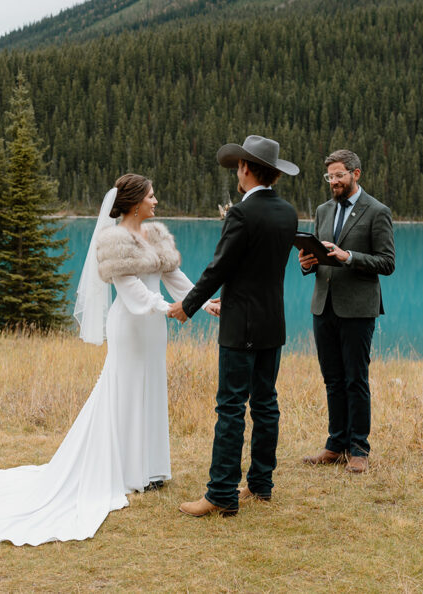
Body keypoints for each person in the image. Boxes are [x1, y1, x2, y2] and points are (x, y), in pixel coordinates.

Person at [0, 174, 218, 545]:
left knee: (152, 389)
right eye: (151, 196)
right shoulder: (113, 243)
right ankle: (127, 471)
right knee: (125, 390)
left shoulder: (155, 235)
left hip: (156, 329)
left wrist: (202, 303)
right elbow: (132, 293)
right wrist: (169, 309)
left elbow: (175, 277)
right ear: (134, 202)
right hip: (132, 325)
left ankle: (152, 470)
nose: (156, 201)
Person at [168, 135, 299, 516]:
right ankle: (260, 485)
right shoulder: (288, 213)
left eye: (238, 167)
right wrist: (234, 297)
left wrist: (187, 306)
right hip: (272, 322)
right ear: (273, 173)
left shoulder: (241, 214)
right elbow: (259, 270)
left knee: (230, 407)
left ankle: (222, 494)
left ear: (245, 169)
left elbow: (219, 268)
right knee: (266, 405)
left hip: (241, 326)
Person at [298, 149, 395, 474]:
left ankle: (358, 449)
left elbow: (387, 262)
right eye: (330, 176)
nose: (334, 181)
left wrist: (348, 256)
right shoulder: (323, 210)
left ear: (356, 174)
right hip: (323, 304)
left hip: (358, 308)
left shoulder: (377, 211)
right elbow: (317, 256)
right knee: (332, 380)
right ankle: (335, 445)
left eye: (339, 175)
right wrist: (307, 263)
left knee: (356, 379)